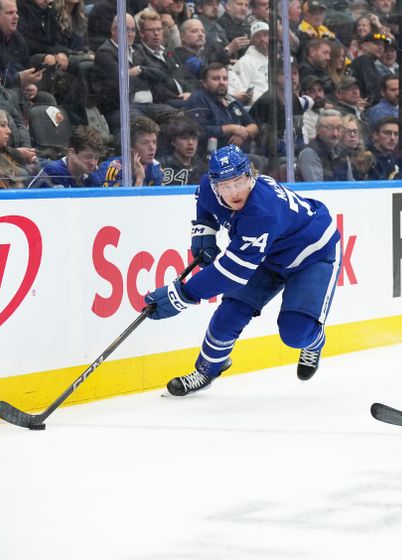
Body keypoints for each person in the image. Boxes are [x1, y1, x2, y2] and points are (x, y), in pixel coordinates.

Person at [144, 144, 341, 395]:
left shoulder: (262, 211)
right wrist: (204, 231)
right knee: (230, 313)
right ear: (215, 186)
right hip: (268, 254)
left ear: (251, 176)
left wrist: (183, 294)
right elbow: (203, 201)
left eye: (239, 182)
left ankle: (314, 343)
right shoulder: (209, 188)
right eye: (225, 186)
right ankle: (207, 370)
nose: (234, 192)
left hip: (312, 253)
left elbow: (232, 272)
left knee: (295, 333)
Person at [92, 116, 164, 187]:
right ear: (130, 146)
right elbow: (118, 199)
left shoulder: (156, 167)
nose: (152, 148)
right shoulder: (112, 170)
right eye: (145, 143)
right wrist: (139, 180)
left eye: (154, 142)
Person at [29, 125, 103, 187]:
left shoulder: (93, 179)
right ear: (71, 153)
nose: (93, 163)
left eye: (96, 158)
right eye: (88, 157)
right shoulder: (54, 172)